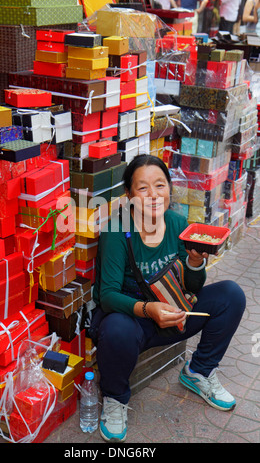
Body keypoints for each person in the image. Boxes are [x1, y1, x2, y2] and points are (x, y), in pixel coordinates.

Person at [91, 154, 246, 442]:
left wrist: (196, 263)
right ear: (129, 195)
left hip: (175, 314)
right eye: (143, 188)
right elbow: (107, 295)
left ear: (169, 188)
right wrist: (149, 310)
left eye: (160, 185)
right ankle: (114, 399)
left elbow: (194, 287)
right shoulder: (116, 231)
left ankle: (198, 372)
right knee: (114, 329)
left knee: (231, 296)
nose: (153, 195)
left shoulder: (177, 223)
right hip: (134, 322)